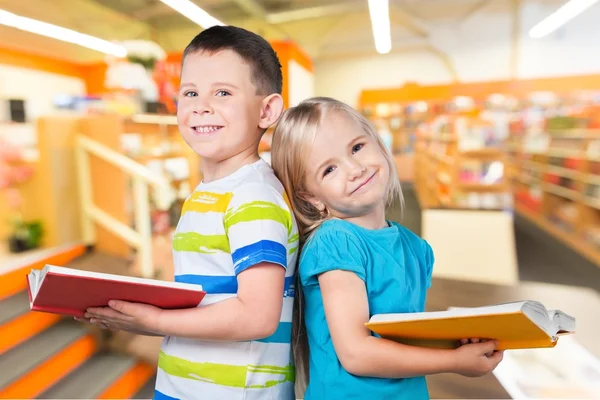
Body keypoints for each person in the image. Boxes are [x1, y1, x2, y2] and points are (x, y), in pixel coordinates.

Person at [82, 26, 299, 400]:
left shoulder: (253, 197)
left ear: (267, 110)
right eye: (191, 92)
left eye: (223, 93)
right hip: (186, 385)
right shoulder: (207, 193)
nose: (201, 105)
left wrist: (153, 321)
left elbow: (257, 315)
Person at [270, 97, 504, 399]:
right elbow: (356, 353)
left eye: (357, 147)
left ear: (378, 142)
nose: (354, 169)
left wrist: (459, 342)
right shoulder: (336, 241)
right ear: (311, 197)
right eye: (329, 170)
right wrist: (454, 361)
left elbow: (404, 337)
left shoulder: (415, 247)